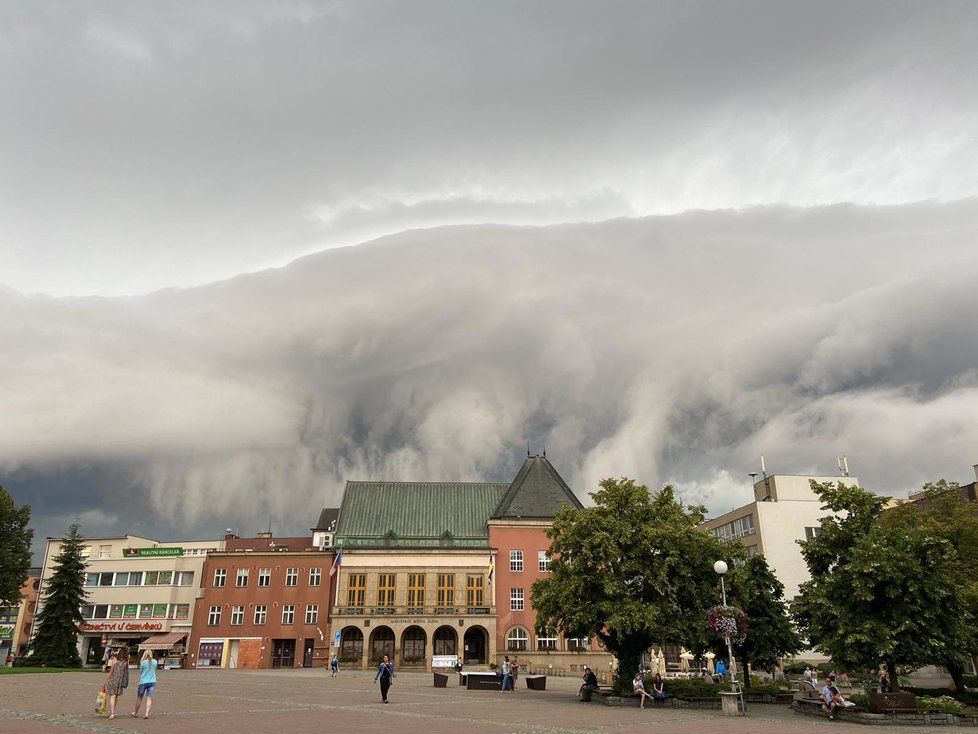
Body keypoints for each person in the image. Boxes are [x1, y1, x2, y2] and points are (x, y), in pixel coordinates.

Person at [103, 649, 130, 719]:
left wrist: (106, 681)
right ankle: (112, 711)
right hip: (120, 682)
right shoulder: (126, 663)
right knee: (116, 697)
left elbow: (111, 673)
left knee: (112, 696)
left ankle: (112, 713)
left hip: (113, 680)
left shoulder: (114, 662)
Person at [131, 650, 158, 719]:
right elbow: (155, 670)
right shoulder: (155, 661)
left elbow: (141, 672)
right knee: (149, 698)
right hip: (152, 681)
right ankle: (146, 713)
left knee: (139, 698)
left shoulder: (143, 662)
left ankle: (136, 712)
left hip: (143, 682)